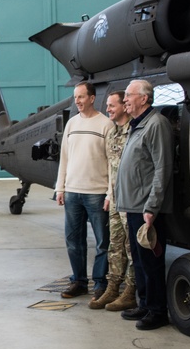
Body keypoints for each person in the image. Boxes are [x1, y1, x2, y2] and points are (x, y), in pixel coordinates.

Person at [115, 80, 174, 330]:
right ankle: (145, 303)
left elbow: (162, 168)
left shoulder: (156, 124)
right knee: (138, 261)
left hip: (146, 207)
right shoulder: (136, 125)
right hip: (133, 205)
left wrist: (152, 208)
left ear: (144, 99)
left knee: (151, 262)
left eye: (129, 95)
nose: (125, 99)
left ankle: (158, 311)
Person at [55, 82, 112, 299]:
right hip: (72, 193)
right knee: (73, 240)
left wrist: (109, 193)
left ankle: (100, 283)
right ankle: (78, 281)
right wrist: (60, 188)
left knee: (102, 242)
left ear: (92, 98)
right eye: (75, 97)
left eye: (81, 97)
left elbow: (111, 162)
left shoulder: (106, 125)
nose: (77, 101)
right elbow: (65, 159)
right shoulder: (71, 124)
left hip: (97, 193)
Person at [89, 91, 137, 311]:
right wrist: (109, 194)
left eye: (112, 105)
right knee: (114, 245)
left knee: (131, 246)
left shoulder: (134, 132)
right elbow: (111, 167)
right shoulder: (113, 133)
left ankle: (131, 290)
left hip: (131, 200)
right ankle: (113, 286)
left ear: (124, 107)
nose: (107, 109)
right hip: (116, 199)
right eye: (107, 105)